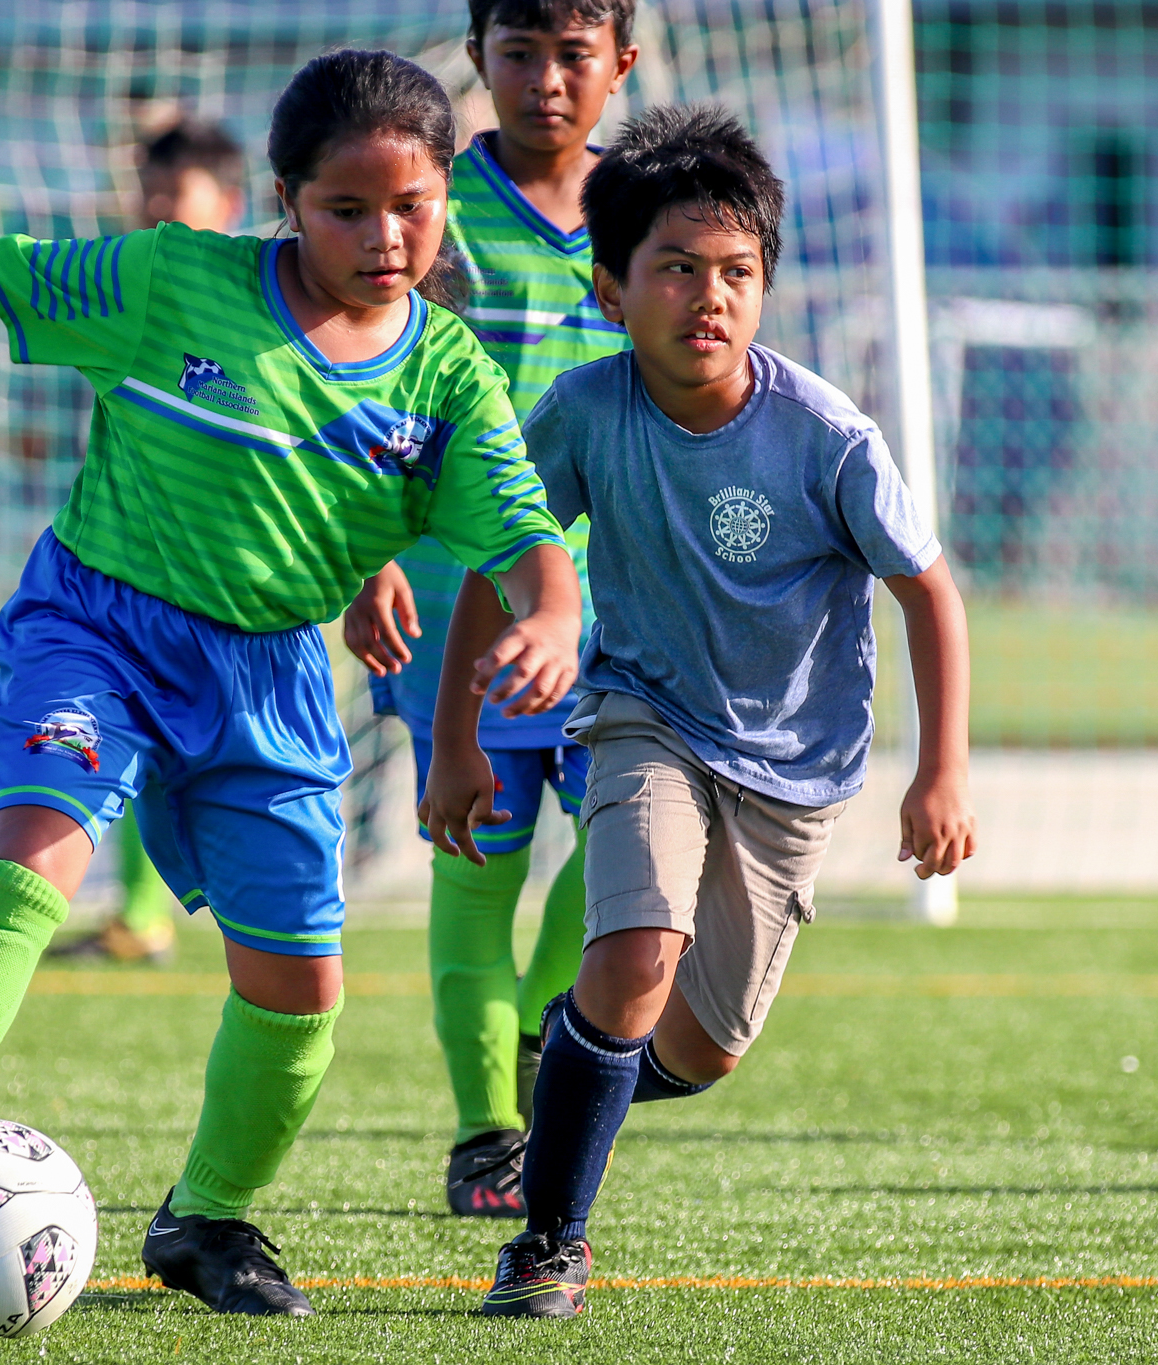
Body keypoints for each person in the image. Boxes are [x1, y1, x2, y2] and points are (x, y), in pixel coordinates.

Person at [0, 50, 581, 1321]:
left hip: (272, 680)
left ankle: (207, 1219)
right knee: (30, 858)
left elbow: (516, 530)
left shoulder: (446, 375)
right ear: (286, 199)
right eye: (346, 208)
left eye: (410, 206)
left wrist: (550, 607)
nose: (382, 235)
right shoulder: (174, 280)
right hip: (99, 629)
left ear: (446, 194)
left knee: (301, 991)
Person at [418, 106, 979, 1319]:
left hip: (791, 770)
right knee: (630, 955)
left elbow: (925, 590)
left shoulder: (824, 434)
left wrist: (939, 775)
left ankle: (570, 1067)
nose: (708, 296)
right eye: (675, 269)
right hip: (642, 720)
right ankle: (545, 1246)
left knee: (701, 1048)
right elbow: (492, 555)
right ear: (612, 292)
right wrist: (458, 739)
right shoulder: (581, 410)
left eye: (735, 272)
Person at [340, 0, 638, 1221]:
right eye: (519, 55)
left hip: (616, 601)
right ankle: (485, 1130)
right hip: (457, 597)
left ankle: (535, 1028)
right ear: (479, 61)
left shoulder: (647, 212)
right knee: (476, 864)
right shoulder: (428, 206)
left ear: (620, 63)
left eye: (573, 57)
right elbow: (353, 365)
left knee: (624, 857)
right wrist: (370, 557)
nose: (546, 83)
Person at [55, 115, 249, 967]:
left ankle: (236, 917)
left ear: (235, 204)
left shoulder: (267, 308)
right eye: (149, 195)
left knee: (224, 769)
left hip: (246, 591)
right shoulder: (128, 290)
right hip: (139, 584)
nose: (157, 211)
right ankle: (138, 916)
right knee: (126, 737)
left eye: (178, 196)